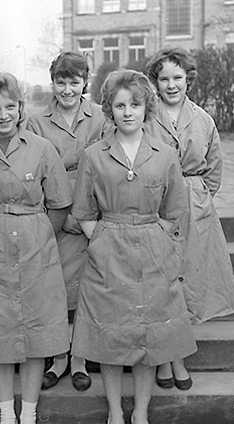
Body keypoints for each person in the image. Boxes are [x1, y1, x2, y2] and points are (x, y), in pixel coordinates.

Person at [71, 69, 197, 424]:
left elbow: (174, 210)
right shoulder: (94, 154)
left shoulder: (165, 152)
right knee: (108, 337)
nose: (128, 112)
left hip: (152, 250)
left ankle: (140, 412)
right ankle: (114, 410)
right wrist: (101, 239)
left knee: (148, 336)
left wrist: (154, 236)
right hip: (108, 250)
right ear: (109, 109)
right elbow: (83, 210)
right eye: (120, 105)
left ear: (146, 108)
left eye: (135, 104)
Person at [0, 73, 71, 424]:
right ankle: (6, 413)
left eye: (10, 106)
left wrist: (39, 236)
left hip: (35, 246)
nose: (3, 114)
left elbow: (58, 204)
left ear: (21, 108)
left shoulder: (41, 149)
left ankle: (29, 412)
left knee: (35, 333)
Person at [145, 47, 234, 390]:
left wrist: (196, 198)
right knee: (161, 281)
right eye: (164, 79)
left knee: (187, 281)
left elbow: (213, 171)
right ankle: (169, 361)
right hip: (156, 204)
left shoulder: (203, 119)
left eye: (178, 78)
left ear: (188, 79)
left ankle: (174, 357)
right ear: (155, 82)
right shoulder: (147, 116)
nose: (171, 85)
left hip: (195, 209)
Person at [27, 51, 110, 391]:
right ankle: (59, 356)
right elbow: (35, 169)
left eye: (74, 82)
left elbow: (105, 166)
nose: (67, 90)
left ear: (84, 83)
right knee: (56, 286)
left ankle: (80, 359)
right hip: (54, 210)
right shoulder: (37, 121)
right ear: (53, 83)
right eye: (60, 82)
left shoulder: (100, 118)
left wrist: (86, 213)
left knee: (88, 285)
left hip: (91, 208)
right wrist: (59, 214)